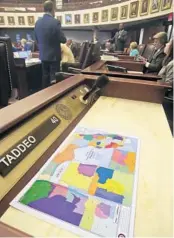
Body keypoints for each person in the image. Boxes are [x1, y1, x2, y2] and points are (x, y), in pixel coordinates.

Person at [35, 0, 66, 88]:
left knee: (45, 78)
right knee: (54, 80)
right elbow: (63, 40)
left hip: (43, 56)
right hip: (54, 58)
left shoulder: (37, 23)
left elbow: (36, 40)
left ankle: (45, 97)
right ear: (52, 9)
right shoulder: (55, 22)